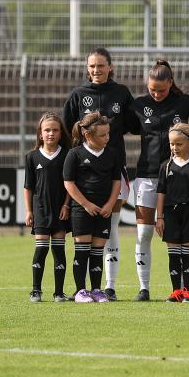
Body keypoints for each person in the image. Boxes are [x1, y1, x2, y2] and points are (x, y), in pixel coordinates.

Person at [63, 47, 135, 301]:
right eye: (92, 66)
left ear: (110, 67)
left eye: (101, 66)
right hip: (85, 174)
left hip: (114, 171)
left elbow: (136, 124)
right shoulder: (78, 95)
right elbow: (67, 130)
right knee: (86, 235)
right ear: (87, 68)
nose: (96, 70)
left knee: (111, 227)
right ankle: (84, 288)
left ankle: (109, 285)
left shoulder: (122, 93)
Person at [128, 60, 189, 301]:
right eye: (152, 90)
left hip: (180, 177)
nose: (157, 94)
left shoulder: (185, 103)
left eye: (161, 89)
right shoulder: (138, 105)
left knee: (182, 236)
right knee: (143, 234)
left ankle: (183, 289)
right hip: (147, 177)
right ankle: (144, 288)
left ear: (171, 82)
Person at [62, 112, 122, 303]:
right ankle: (80, 291)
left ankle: (96, 290)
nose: (107, 138)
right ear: (88, 136)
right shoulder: (75, 154)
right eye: (103, 135)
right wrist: (85, 204)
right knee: (82, 249)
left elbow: (116, 182)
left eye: (108, 134)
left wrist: (110, 204)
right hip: (82, 210)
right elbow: (69, 183)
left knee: (98, 252)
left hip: (104, 209)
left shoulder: (112, 154)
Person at [155, 123, 189, 303]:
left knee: (187, 254)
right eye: (171, 144)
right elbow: (161, 193)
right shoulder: (165, 166)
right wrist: (159, 217)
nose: (174, 148)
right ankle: (176, 291)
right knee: (174, 255)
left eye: (179, 144)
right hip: (170, 214)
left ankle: (187, 292)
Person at [24, 112, 72, 302]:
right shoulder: (32, 157)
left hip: (60, 209)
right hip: (41, 210)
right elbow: (28, 187)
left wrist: (66, 205)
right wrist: (29, 211)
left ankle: (59, 292)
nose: (51, 133)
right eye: (47, 130)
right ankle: (36, 290)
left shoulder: (68, 155)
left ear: (61, 133)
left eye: (55, 130)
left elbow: (70, 183)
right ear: (40, 134)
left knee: (59, 250)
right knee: (41, 248)